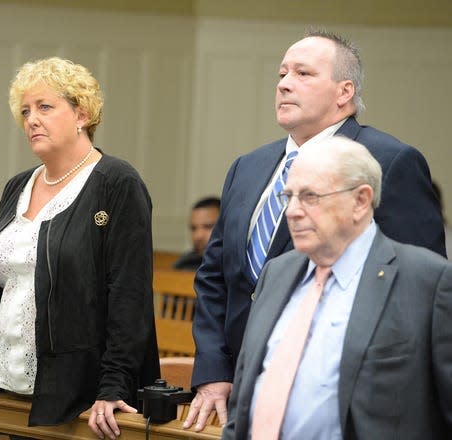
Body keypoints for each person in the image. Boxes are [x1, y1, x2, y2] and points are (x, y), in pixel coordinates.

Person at [185, 29, 446, 432]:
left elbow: (415, 296)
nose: (285, 83)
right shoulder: (248, 166)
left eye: (303, 74)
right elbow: (215, 276)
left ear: (344, 92)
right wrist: (214, 371)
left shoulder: (390, 161)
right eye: (282, 73)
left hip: (346, 407)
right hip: (243, 398)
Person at [0, 57, 160, 439]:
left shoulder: (116, 182)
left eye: (45, 107)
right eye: (25, 110)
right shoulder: (18, 186)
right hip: (8, 387)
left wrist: (114, 387)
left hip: (81, 399)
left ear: (82, 114)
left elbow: (129, 294)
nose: (31, 119)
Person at [223, 136, 452, 439]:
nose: (292, 211)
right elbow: (244, 400)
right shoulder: (275, 274)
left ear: (360, 201)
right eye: (287, 196)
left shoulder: (427, 281)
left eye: (310, 197)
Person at [173, 197, 221, 271]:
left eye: (208, 226)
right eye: (193, 228)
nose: (198, 236)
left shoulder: (239, 266)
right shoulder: (184, 265)